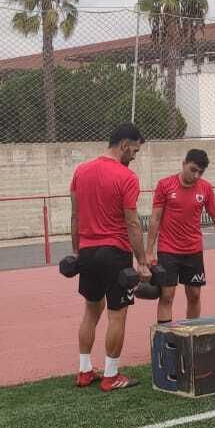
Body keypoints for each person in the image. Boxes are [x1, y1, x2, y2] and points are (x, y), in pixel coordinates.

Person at [69, 123, 150, 392]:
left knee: (91, 312)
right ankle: (111, 375)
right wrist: (142, 261)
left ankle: (84, 371)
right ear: (125, 144)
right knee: (118, 315)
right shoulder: (126, 177)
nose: (134, 156)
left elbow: (75, 216)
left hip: (88, 252)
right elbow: (132, 222)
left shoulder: (81, 171)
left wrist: (77, 253)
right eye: (135, 151)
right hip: (114, 253)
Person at [147, 149, 215, 323]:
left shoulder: (205, 188)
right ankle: (166, 342)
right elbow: (155, 218)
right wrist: (148, 252)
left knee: (194, 294)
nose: (196, 175)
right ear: (184, 164)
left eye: (200, 172)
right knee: (167, 295)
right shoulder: (165, 185)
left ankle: (190, 336)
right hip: (168, 249)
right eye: (193, 170)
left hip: (193, 250)